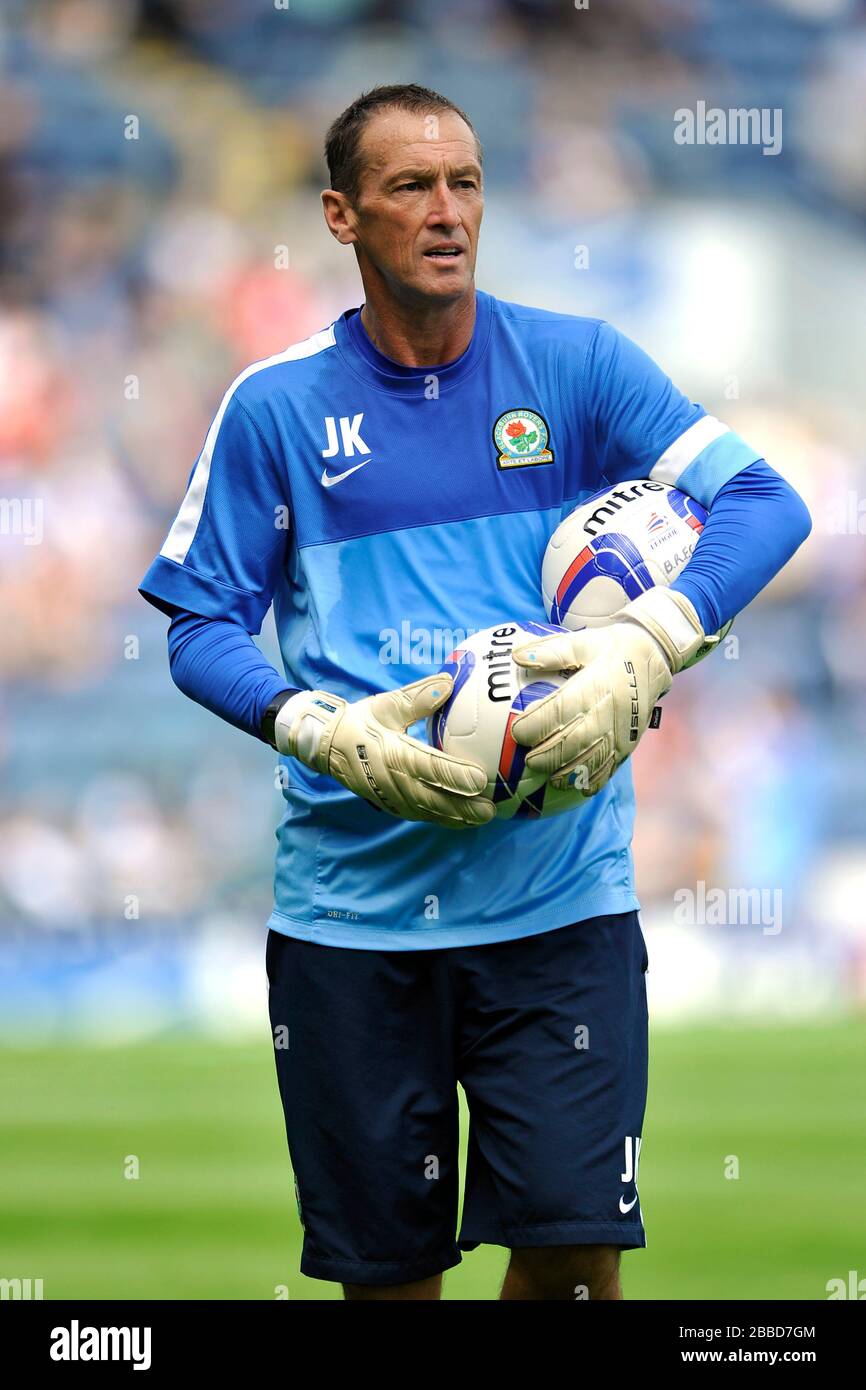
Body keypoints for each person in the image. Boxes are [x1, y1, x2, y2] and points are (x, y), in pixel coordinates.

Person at [139, 84, 811, 1300]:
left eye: (465, 183)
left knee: (572, 1266)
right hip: (353, 922)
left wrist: (648, 640)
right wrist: (320, 730)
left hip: (558, 907)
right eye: (409, 187)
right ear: (341, 215)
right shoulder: (276, 409)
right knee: (389, 1289)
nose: (446, 212)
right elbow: (196, 620)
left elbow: (766, 500)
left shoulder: (578, 364)